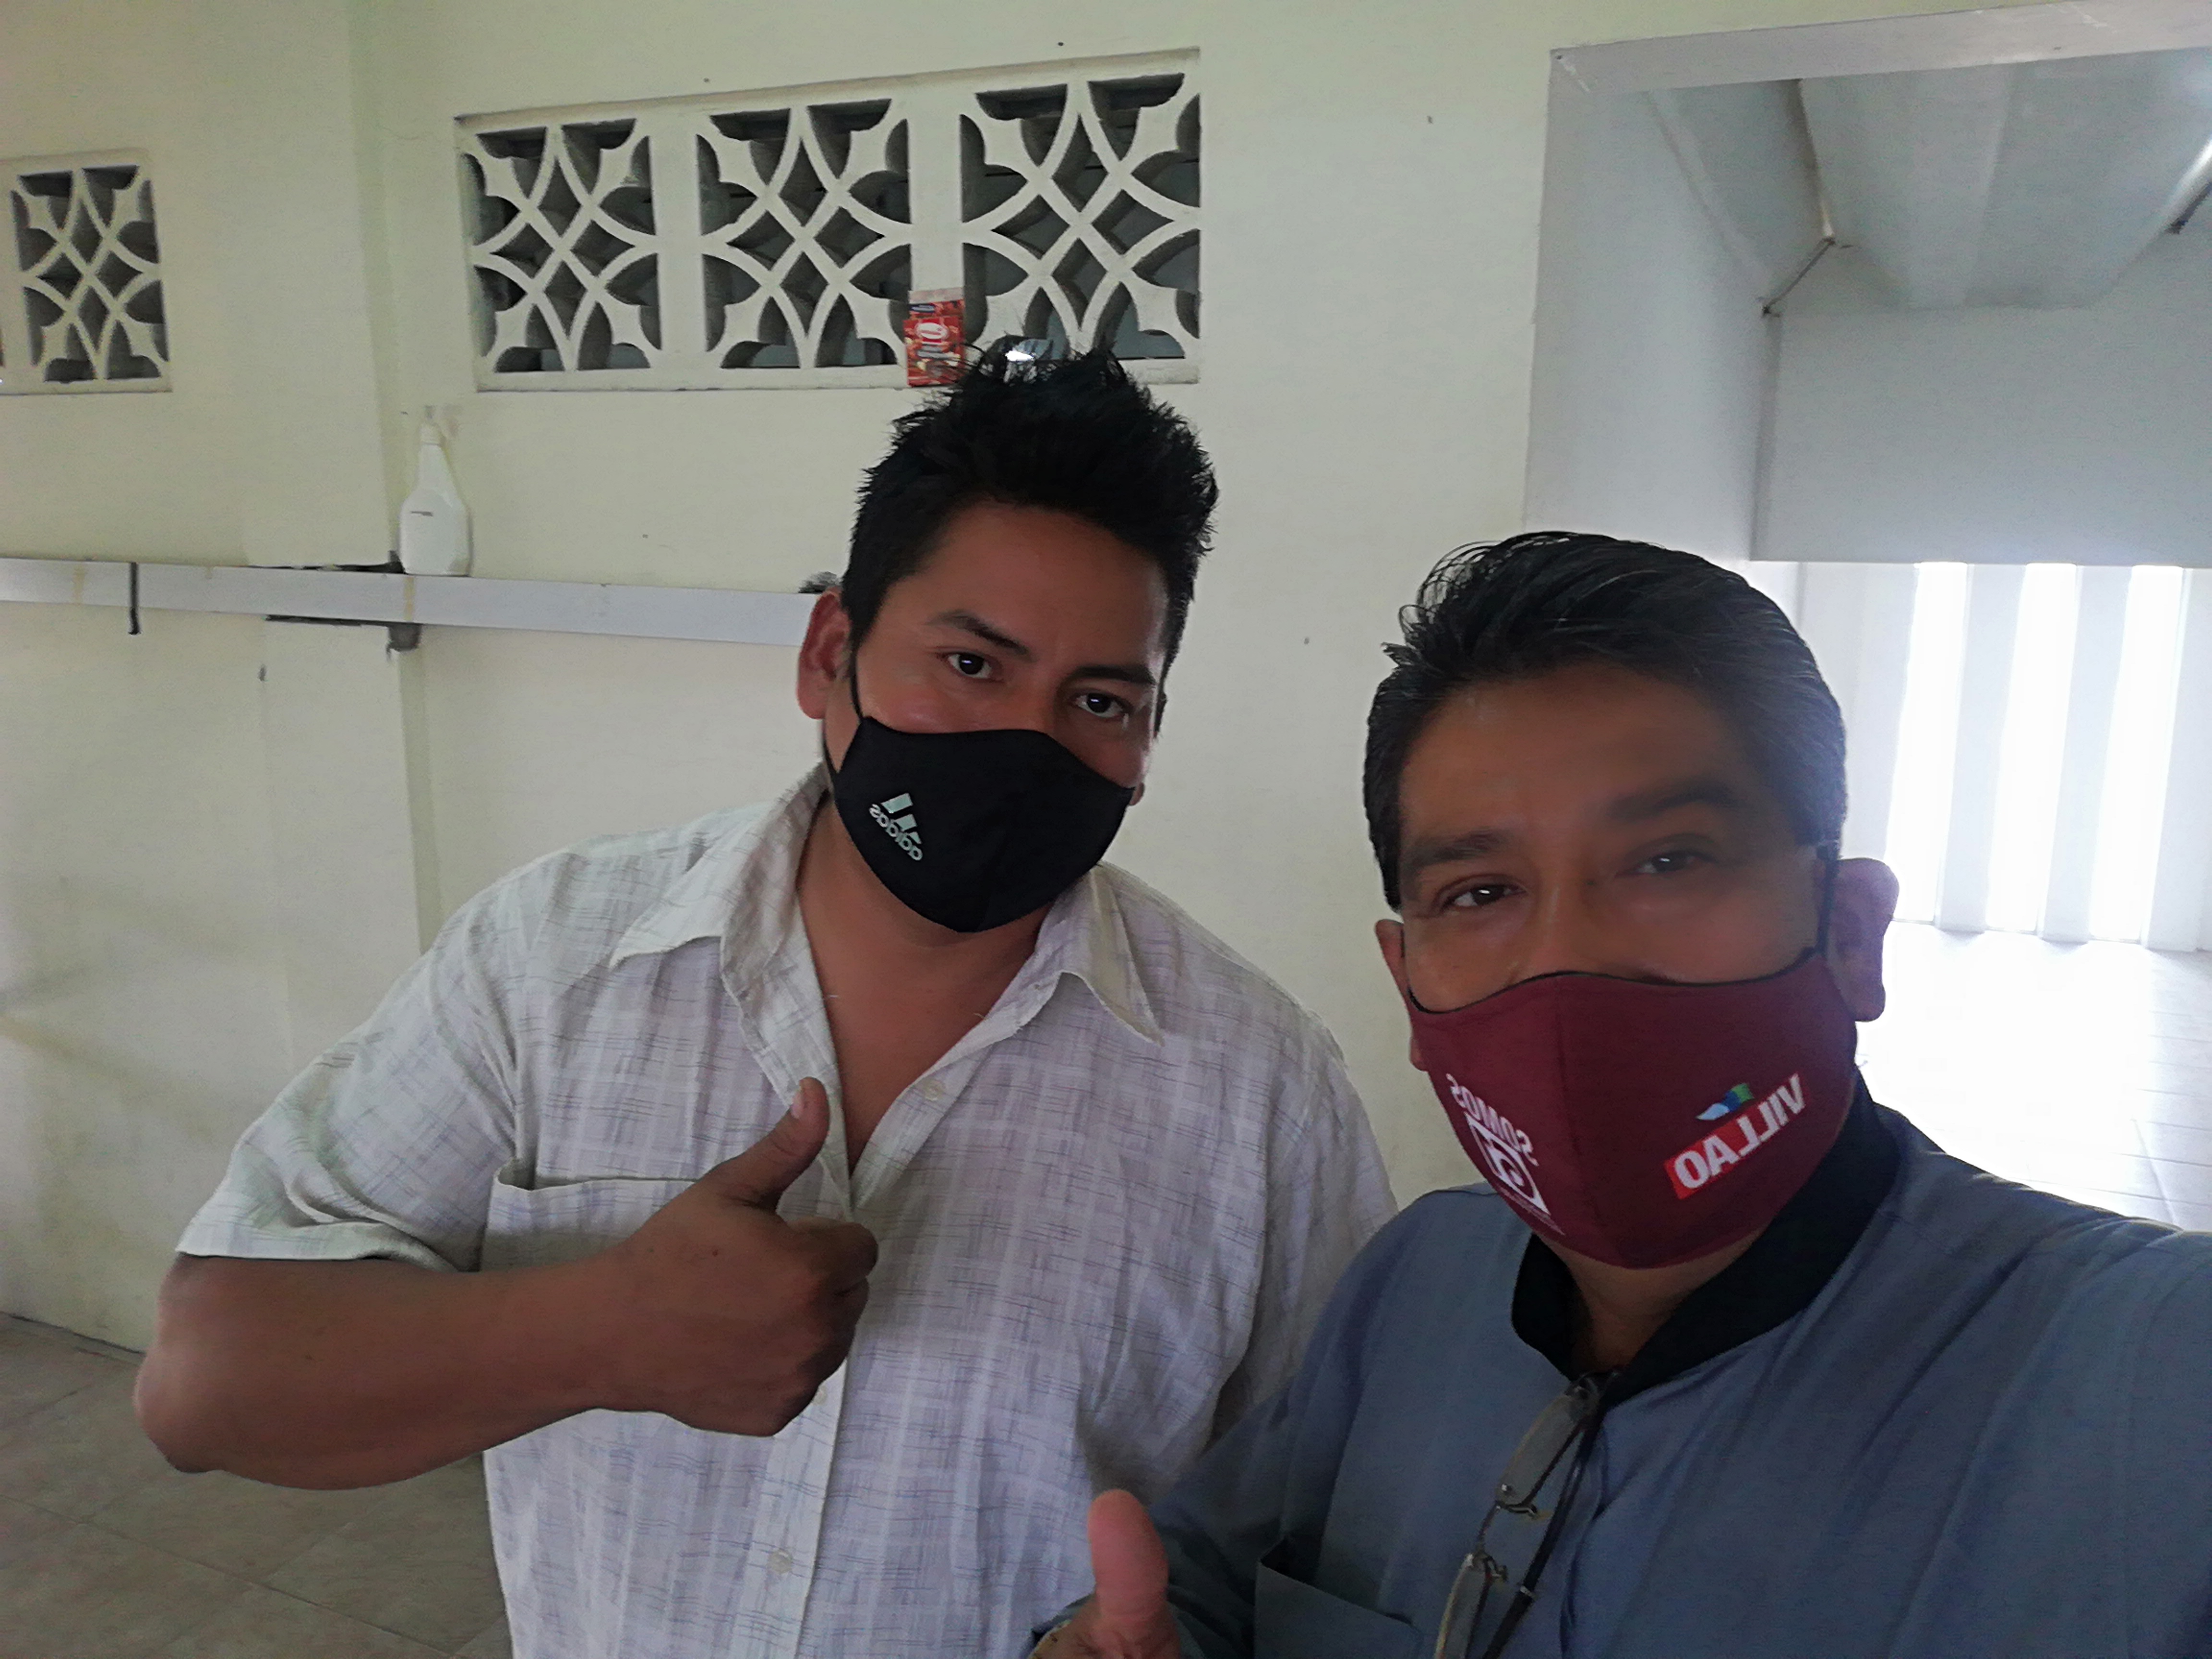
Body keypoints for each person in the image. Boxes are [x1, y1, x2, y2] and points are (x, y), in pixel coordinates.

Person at [134, 349, 1395, 1659]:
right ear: (830, 653)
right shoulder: (552, 963)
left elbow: (1343, 1518)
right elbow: (207, 1383)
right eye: (971, 663)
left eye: (1099, 700)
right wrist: (600, 1333)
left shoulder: (1260, 1090)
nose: (1028, 743)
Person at [1043, 531, 2212, 1659]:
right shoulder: (1413, 1284)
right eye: (1481, 891)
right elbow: (1202, 1585)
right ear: (1409, 991)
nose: (1568, 959)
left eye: (1669, 862)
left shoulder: (2149, 1382)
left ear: (1852, 934)